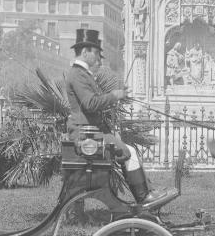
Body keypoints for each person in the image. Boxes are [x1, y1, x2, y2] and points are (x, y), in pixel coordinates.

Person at [65, 28, 171, 207]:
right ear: (84, 52)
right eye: (97, 54)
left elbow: (92, 107)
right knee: (128, 152)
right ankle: (144, 198)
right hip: (85, 135)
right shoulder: (78, 74)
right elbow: (90, 104)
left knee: (130, 151)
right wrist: (114, 95)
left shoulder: (82, 74)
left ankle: (147, 194)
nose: (99, 59)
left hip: (91, 132)